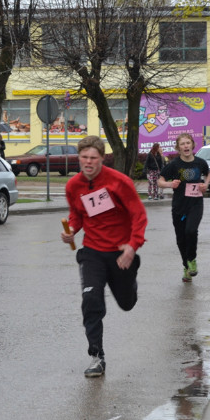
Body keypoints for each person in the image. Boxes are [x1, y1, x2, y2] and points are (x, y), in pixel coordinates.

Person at [59, 135, 147, 378]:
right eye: (84, 157)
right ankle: (97, 355)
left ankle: (131, 278)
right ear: (79, 158)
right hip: (92, 252)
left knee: (127, 303)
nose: (88, 162)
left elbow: (139, 216)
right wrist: (71, 230)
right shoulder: (73, 185)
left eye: (93, 158)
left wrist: (132, 246)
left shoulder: (119, 182)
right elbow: (77, 215)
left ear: (101, 159)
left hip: (120, 252)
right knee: (91, 300)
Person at [157, 133, 210, 283]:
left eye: (188, 143)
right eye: (182, 144)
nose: (186, 146)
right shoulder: (174, 164)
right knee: (181, 239)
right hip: (179, 206)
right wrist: (170, 184)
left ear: (192, 145)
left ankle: (192, 260)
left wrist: (205, 185)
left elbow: (208, 174)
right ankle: (186, 267)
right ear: (178, 147)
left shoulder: (200, 162)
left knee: (191, 231)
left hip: (196, 204)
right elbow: (160, 181)